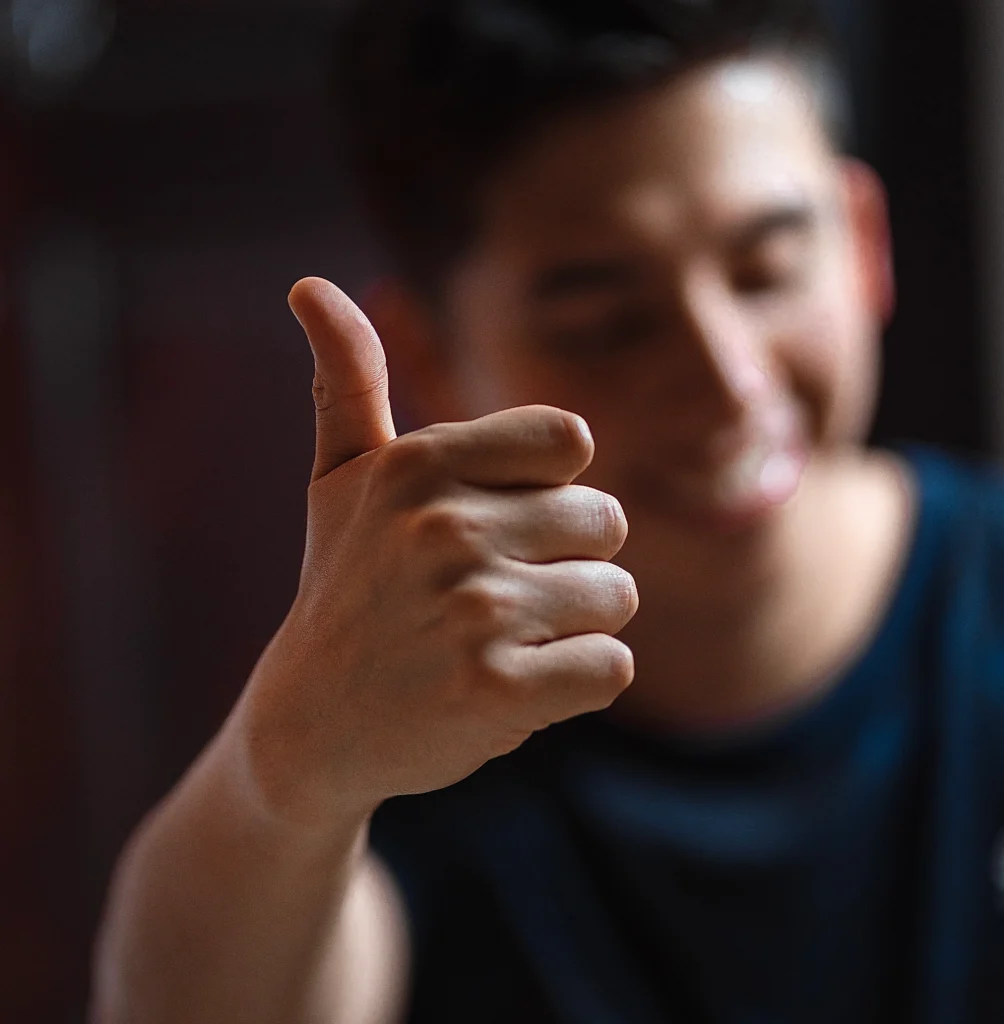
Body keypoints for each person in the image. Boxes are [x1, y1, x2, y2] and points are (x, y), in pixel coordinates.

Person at [91, 1, 1004, 1021]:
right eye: (607, 323)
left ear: (863, 242)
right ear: (427, 352)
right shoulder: (405, 717)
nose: (725, 380)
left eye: (765, 268)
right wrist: (290, 771)